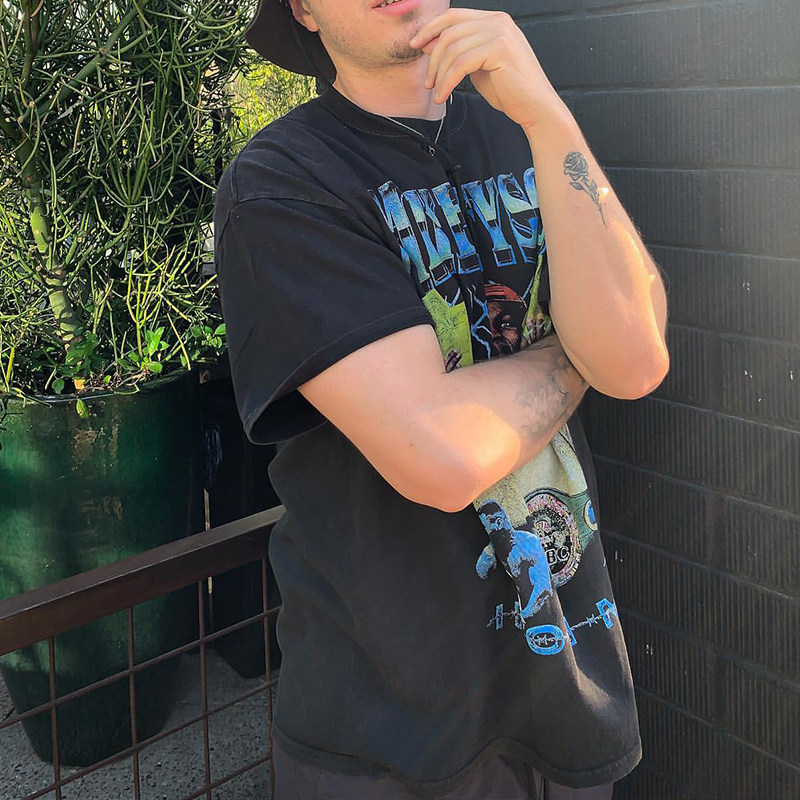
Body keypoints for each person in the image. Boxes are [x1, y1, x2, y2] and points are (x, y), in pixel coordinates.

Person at [212, 1, 669, 798]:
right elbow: (443, 453)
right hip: (389, 733)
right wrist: (576, 350)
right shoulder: (282, 182)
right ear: (304, 10)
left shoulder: (525, 128)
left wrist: (548, 114)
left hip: (573, 684)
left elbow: (633, 359)